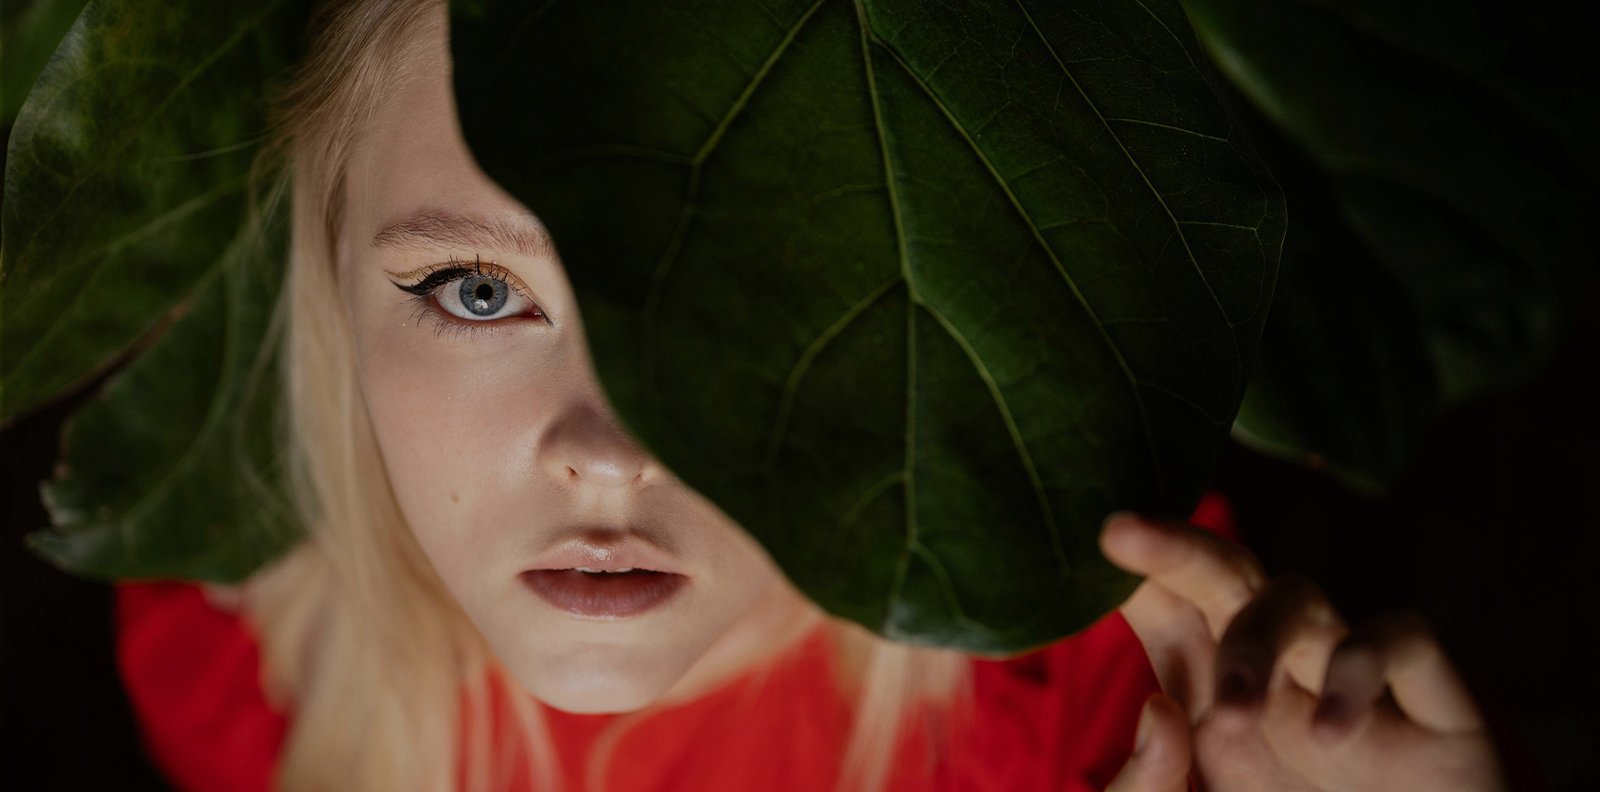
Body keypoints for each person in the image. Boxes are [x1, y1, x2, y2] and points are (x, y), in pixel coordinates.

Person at [113, 1, 1512, 789]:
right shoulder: (244, 669)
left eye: (756, 285)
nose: (611, 451)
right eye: (480, 292)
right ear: (327, 286)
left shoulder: (1105, 650)